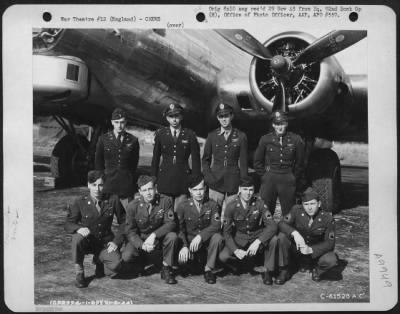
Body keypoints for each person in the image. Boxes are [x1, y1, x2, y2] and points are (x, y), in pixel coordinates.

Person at [64, 170, 125, 288]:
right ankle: (79, 272)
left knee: (116, 265)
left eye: (100, 185)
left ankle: (99, 260)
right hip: (87, 241)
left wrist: (116, 242)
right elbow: (68, 223)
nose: (97, 189)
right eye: (94, 185)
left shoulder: (113, 200)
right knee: (76, 238)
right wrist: (78, 228)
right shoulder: (79, 202)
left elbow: (125, 222)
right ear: (88, 185)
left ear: (104, 185)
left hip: (104, 242)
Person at [219, 176, 279, 285]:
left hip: (257, 235)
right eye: (245, 189)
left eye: (251, 189)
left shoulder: (259, 203)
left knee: (274, 239)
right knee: (223, 257)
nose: (248, 193)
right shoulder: (231, 206)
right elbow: (226, 233)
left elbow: (272, 226)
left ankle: (267, 270)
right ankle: (237, 263)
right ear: (240, 190)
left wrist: (258, 241)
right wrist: (236, 250)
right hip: (239, 237)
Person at [123, 175, 179, 284]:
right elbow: (130, 231)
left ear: (155, 188)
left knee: (172, 237)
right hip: (141, 238)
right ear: (140, 192)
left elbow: (171, 223)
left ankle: (166, 267)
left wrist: (154, 235)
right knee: (126, 256)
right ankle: (141, 259)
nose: (148, 193)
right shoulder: (132, 206)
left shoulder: (165, 201)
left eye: (150, 189)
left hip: (159, 238)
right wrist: (142, 245)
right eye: (144, 190)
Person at [276, 187, 338, 283]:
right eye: (306, 204)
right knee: (281, 237)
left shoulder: (328, 218)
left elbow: (330, 243)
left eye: (312, 204)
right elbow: (281, 223)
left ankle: (317, 270)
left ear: (319, 204)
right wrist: (295, 233)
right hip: (297, 250)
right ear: (302, 205)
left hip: (314, 253)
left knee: (331, 260)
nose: (309, 208)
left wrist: (311, 250)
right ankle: (285, 270)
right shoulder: (296, 210)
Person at [253, 110, 305, 217]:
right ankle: (267, 232)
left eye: (282, 123)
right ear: (273, 124)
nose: (280, 127)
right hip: (270, 179)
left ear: (286, 123)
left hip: (287, 178)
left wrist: (293, 177)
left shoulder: (295, 139)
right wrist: (264, 176)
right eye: (277, 124)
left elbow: (300, 162)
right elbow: (257, 161)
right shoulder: (265, 139)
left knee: (289, 214)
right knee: (266, 212)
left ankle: (287, 232)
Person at [202, 103, 248, 221]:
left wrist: (243, 184)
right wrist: (208, 178)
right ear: (217, 118)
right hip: (215, 182)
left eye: (226, 116)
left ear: (231, 116)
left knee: (232, 217)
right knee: (213, 216)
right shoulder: (212, 136)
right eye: (221, 116)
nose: (224, 119)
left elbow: (243, 163)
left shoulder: (241, 136)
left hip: (233, 183)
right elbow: (205, 159)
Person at [151, 103, 201, 210]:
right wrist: (153, 177)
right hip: (164, 181)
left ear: (181, 117)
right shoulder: (161, 134)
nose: (174, 120)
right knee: (164, 214)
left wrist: (195, 179)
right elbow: (155, 158)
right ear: (167, 118)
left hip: (183, 181)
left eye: (177, 116)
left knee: (180, 214)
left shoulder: (190, 135)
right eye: (171, 116)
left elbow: (196, 159)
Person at [176, 174, 224, 284]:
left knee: (218, 238)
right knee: (183, 262)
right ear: (190, 190)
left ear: (205, 189)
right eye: (195, 190)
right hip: (189, 243)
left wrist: (200, 236)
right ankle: (189, 263)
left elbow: (216, 225)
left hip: (205, 242)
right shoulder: (183, 206)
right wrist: (184, 246)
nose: (198, 193)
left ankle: (209, 269)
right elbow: (179, 228)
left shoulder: (212, 204)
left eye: (201, 189)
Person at [95, 108, 140, 209]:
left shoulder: (133, 140)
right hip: (108, 186)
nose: (119, 125)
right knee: (105, 218)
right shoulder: (103, 139)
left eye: (122, 122)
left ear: (126, 122)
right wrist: (102, 181)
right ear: (112, 123)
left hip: (126, 186)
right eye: (116, 122)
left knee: (127, 219)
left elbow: (134, 164)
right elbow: (98, 163)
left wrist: (130, 180)